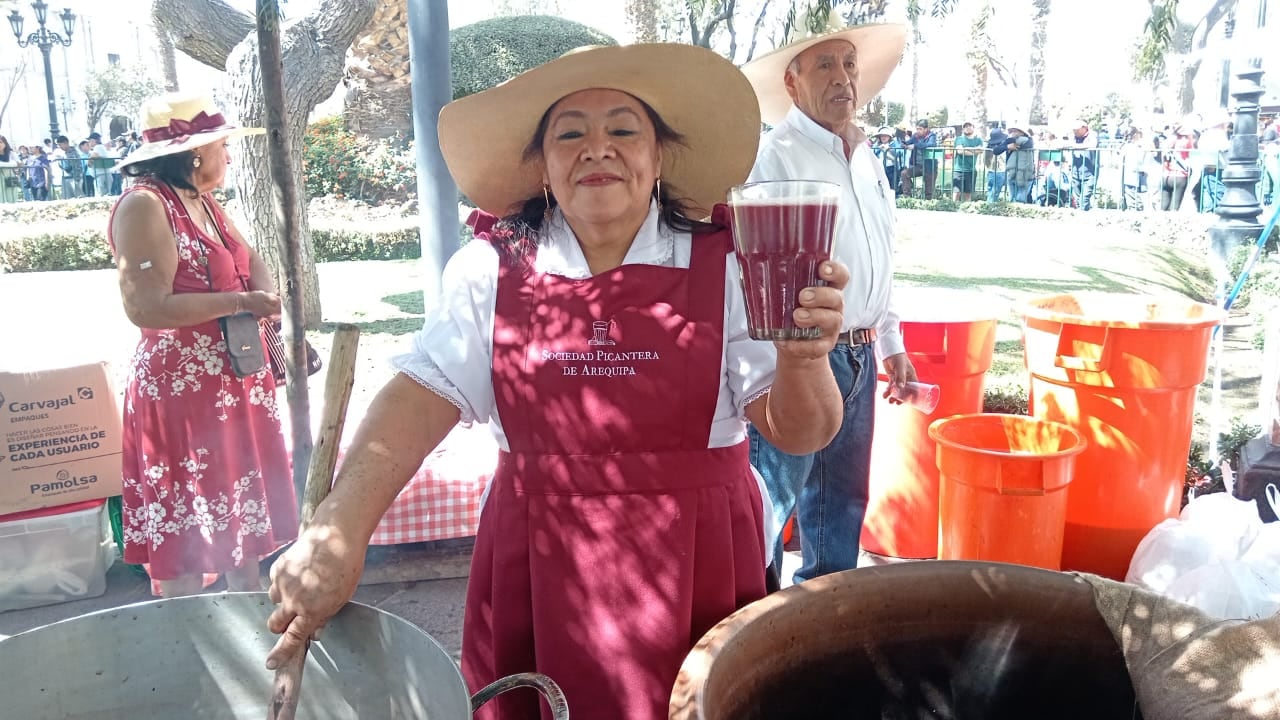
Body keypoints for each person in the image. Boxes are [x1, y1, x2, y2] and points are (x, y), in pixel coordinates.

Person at [265, 44, 850, 720]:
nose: (597, 148)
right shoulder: (491, 268)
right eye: (569, 132)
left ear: (659, 157)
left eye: (623, 129)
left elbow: (803, 430)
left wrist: (804, 359)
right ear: (541, 167)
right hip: (539, 565)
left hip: (698, 563)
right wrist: (336, 535)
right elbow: (416, 402)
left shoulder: (728, 263)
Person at [741, 21, 916, 584]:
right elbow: (757, 276)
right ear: (791, 85)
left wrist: (892, 344)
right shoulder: (773, 158)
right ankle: (753, 618)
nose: (843, 78)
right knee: (773, 500)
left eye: (848, 64)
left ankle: (826, 618)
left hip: (860, 354)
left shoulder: (867, 156)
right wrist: (774, 368)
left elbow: (879, 254)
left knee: (841, 501)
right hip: (800, 357)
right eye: (825, 66)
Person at [106, 92, 297, 598]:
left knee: (241, 523)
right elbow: (146, 308)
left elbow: (247, 258)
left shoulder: (202, 200)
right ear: (192, 153)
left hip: (231, 381)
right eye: (222, 146)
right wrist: (241, 302)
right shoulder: (145, 205)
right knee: (185, 529)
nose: (229, 156)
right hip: (182, 394)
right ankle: (185, 637)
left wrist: (260, 293)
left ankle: (249, 622)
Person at [902, 118, 939, 199]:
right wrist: (903, 142)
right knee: (905, 173)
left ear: (926, 129)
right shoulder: (915, 136)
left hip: (930, 167)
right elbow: (908, 142)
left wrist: (915, 145)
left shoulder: (932, 136)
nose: (918, 131)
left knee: (929, 190)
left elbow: (930, 144)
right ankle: (907, 197)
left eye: (920, 129)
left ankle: (928, 203)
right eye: (917, 129)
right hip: (918, 166)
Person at [1119, 128, 1151, 212]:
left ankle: (1136, 210)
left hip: (1135, 172)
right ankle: (1135, 209)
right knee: (1132, 194)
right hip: (1132, 172)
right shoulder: (1131, 146)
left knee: (1133, 195)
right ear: (1135, 135)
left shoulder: (1133, 146)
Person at [952, 121, 984, 202]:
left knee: (968, 193)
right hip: (958, 170)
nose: (968, 128)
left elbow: (980, 151)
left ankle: (966, 209)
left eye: (970, 126)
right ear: (963, 129)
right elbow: (960, 151)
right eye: (965, 126)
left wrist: (965, 148)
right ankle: (953, 209)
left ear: (973, 127)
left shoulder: (978, 140)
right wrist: (973, 150)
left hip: (971, 170)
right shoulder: (959, 139)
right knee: (956, 193)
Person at [1004, 123, 1036, 203]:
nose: (1013, 133)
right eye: (1012, 131)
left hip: (1015, 172)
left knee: (1014, 197)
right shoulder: (1029, 142)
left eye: (1015, 131)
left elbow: (999, 148)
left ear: (1022, 132)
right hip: (1024, 173)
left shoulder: (1015, 142)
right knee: (1020, 197)